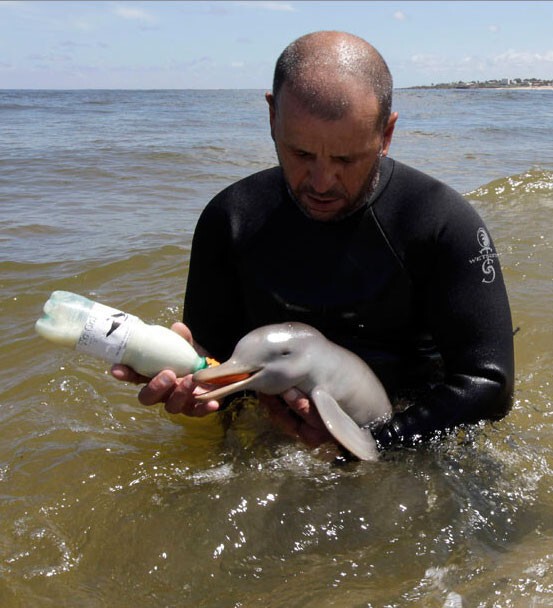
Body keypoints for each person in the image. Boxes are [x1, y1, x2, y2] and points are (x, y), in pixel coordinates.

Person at [112, 31, 514, 451]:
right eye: (301, 154)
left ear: (386, 133)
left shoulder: (440, 222)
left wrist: (373, 444)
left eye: (346, 159)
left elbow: (489, 384)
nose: (321, 183)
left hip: (408, 437)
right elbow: (217, 364)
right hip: (278, 436)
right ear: (272, 116)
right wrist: (189, 376)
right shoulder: (229, 219)